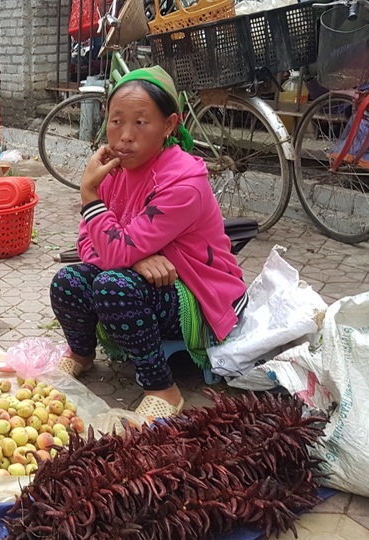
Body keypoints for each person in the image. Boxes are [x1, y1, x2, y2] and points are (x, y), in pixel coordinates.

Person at [48, 66, 247, 420]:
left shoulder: (185, 183)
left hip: (199, 295)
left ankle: (163, 390)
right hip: (145, 279)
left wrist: (89, 195)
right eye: (116, 121)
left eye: (140, 123)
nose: (124, 136)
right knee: (68, 281)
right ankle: (81, 354)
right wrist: (133, 257)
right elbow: (87, 243)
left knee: (113, 286)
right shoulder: (114, 170)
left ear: (169, 125)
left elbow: (111, 249)